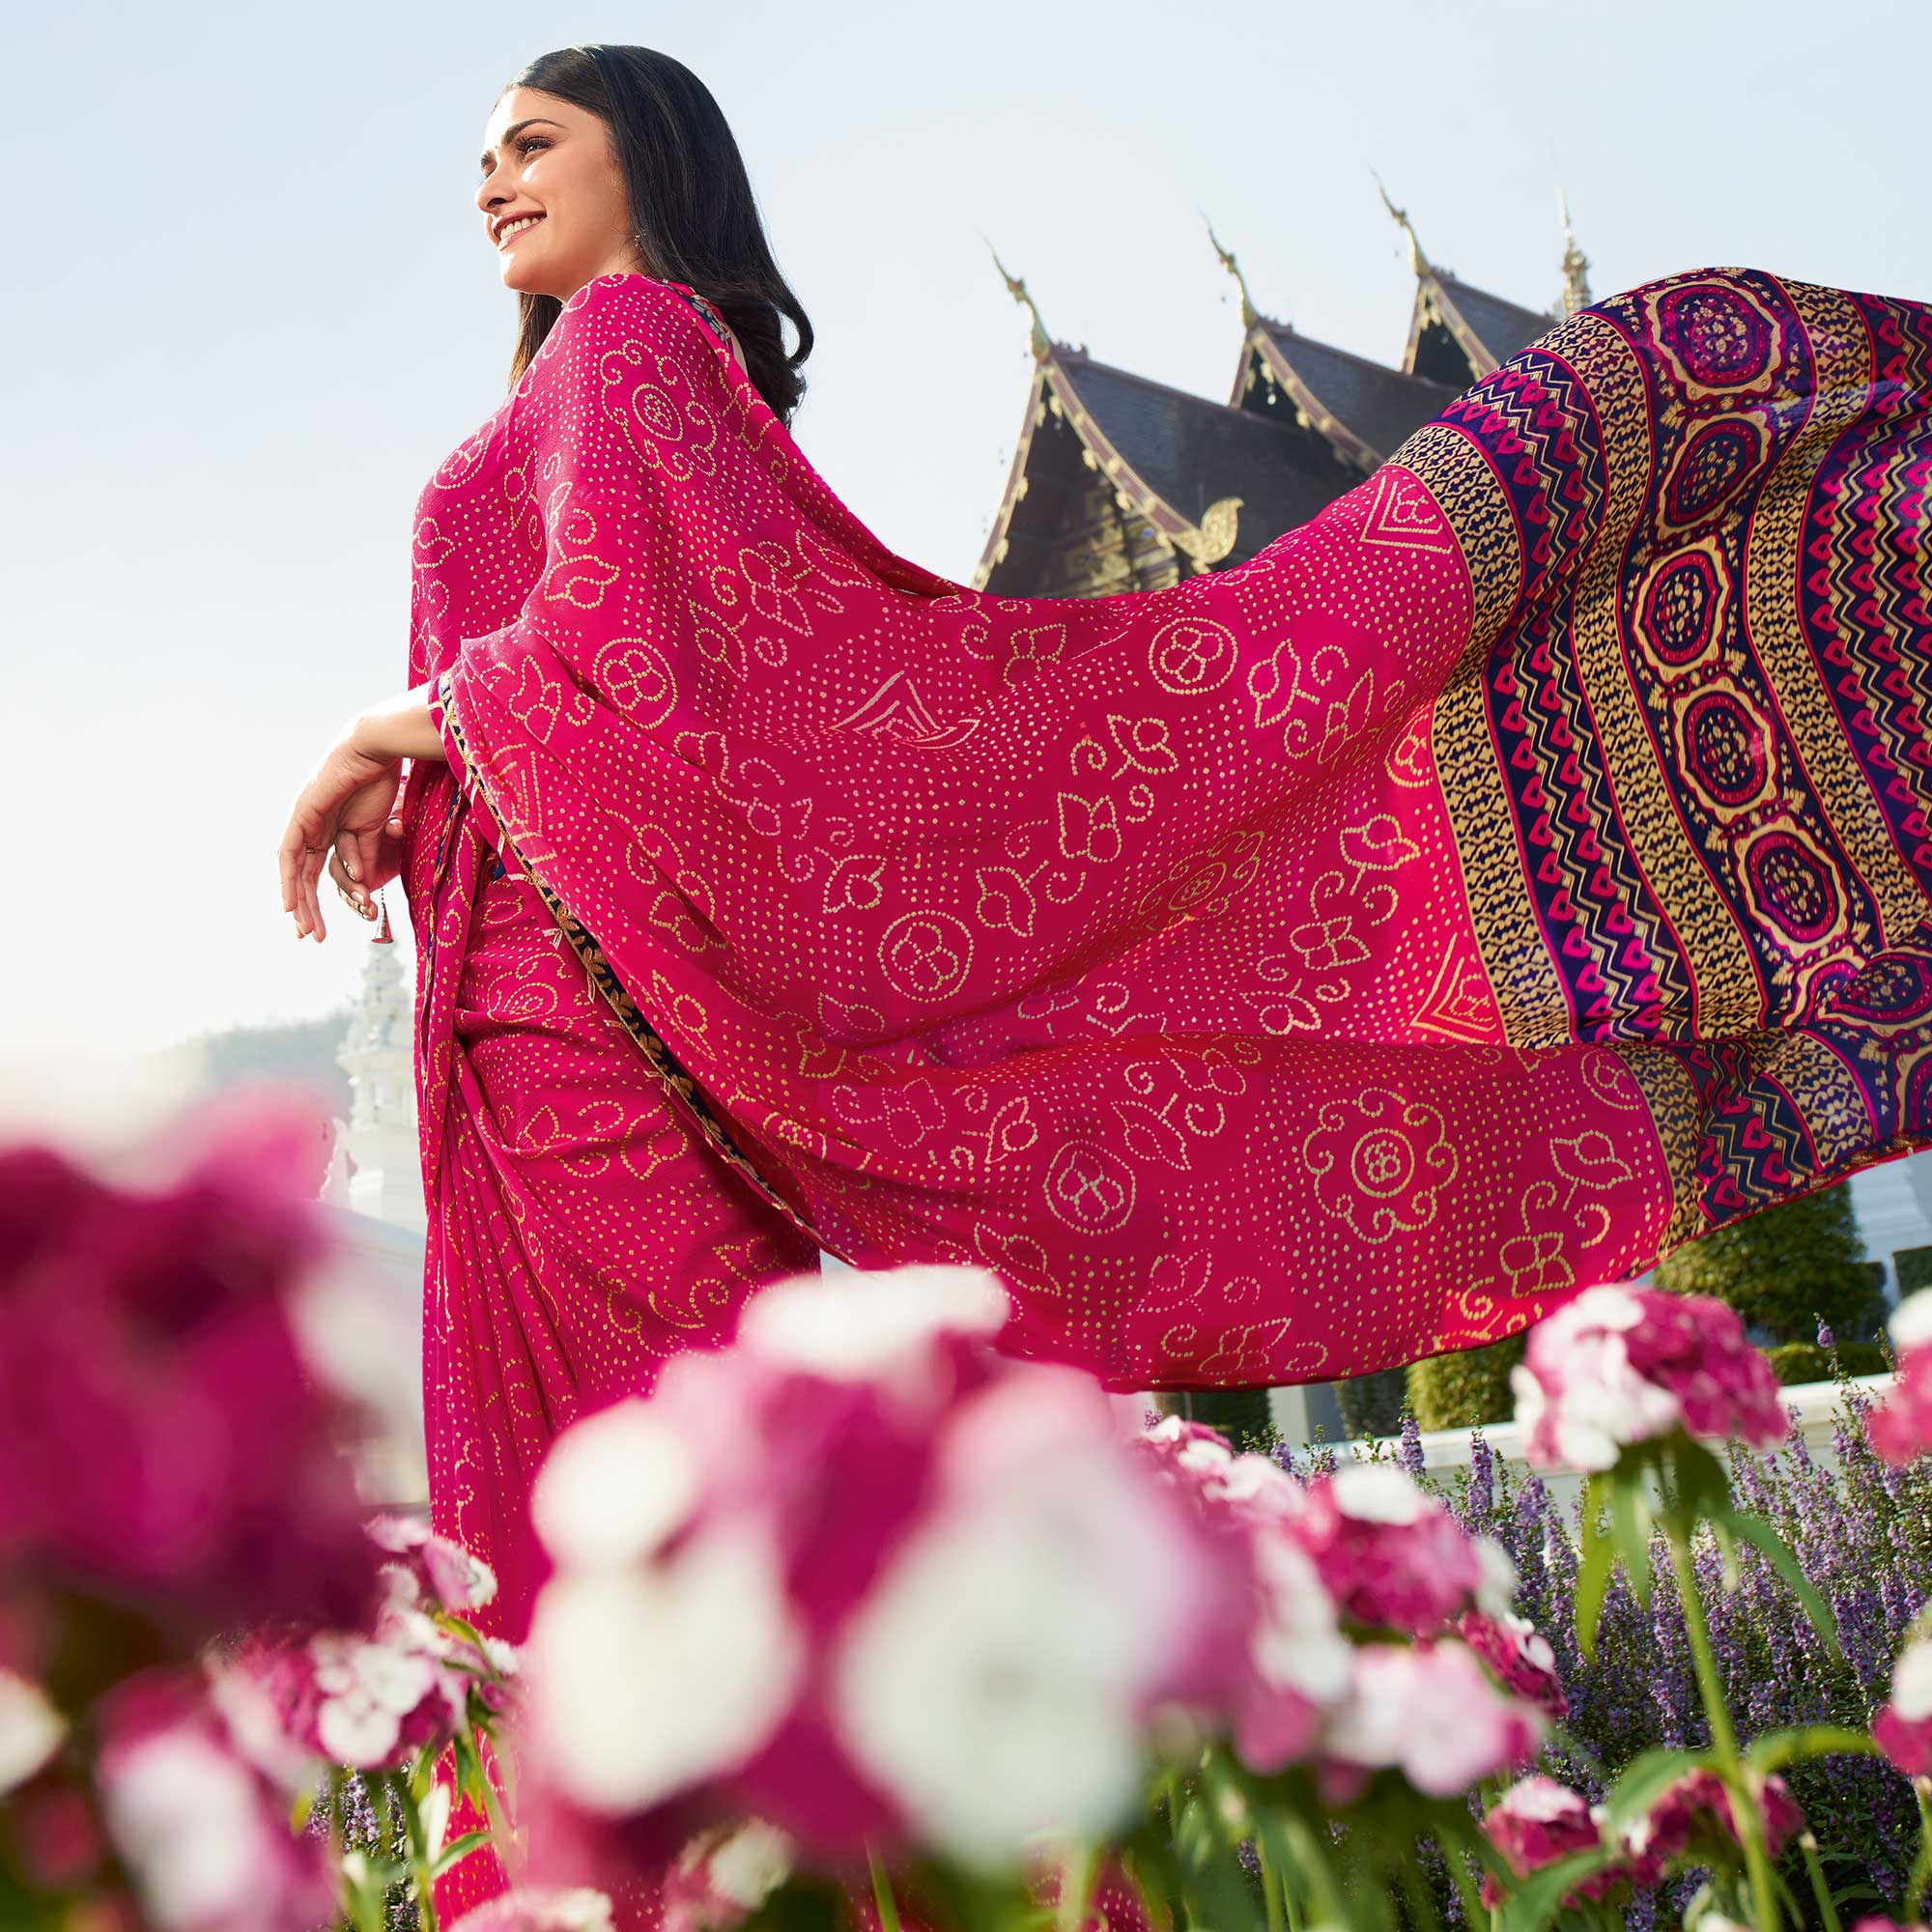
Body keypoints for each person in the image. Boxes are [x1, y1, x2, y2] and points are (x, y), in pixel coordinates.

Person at [277, 41, 1932, 1905]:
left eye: (532, 142)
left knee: (654, 1540)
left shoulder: (632, 346)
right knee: (664, 1551)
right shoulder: (589, 376)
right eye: (480, 153)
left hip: (590, 1047)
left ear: (642, 160)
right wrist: (420, 771)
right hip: (545, 1022)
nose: (490, 178)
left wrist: (388, 725)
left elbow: (650, 661)